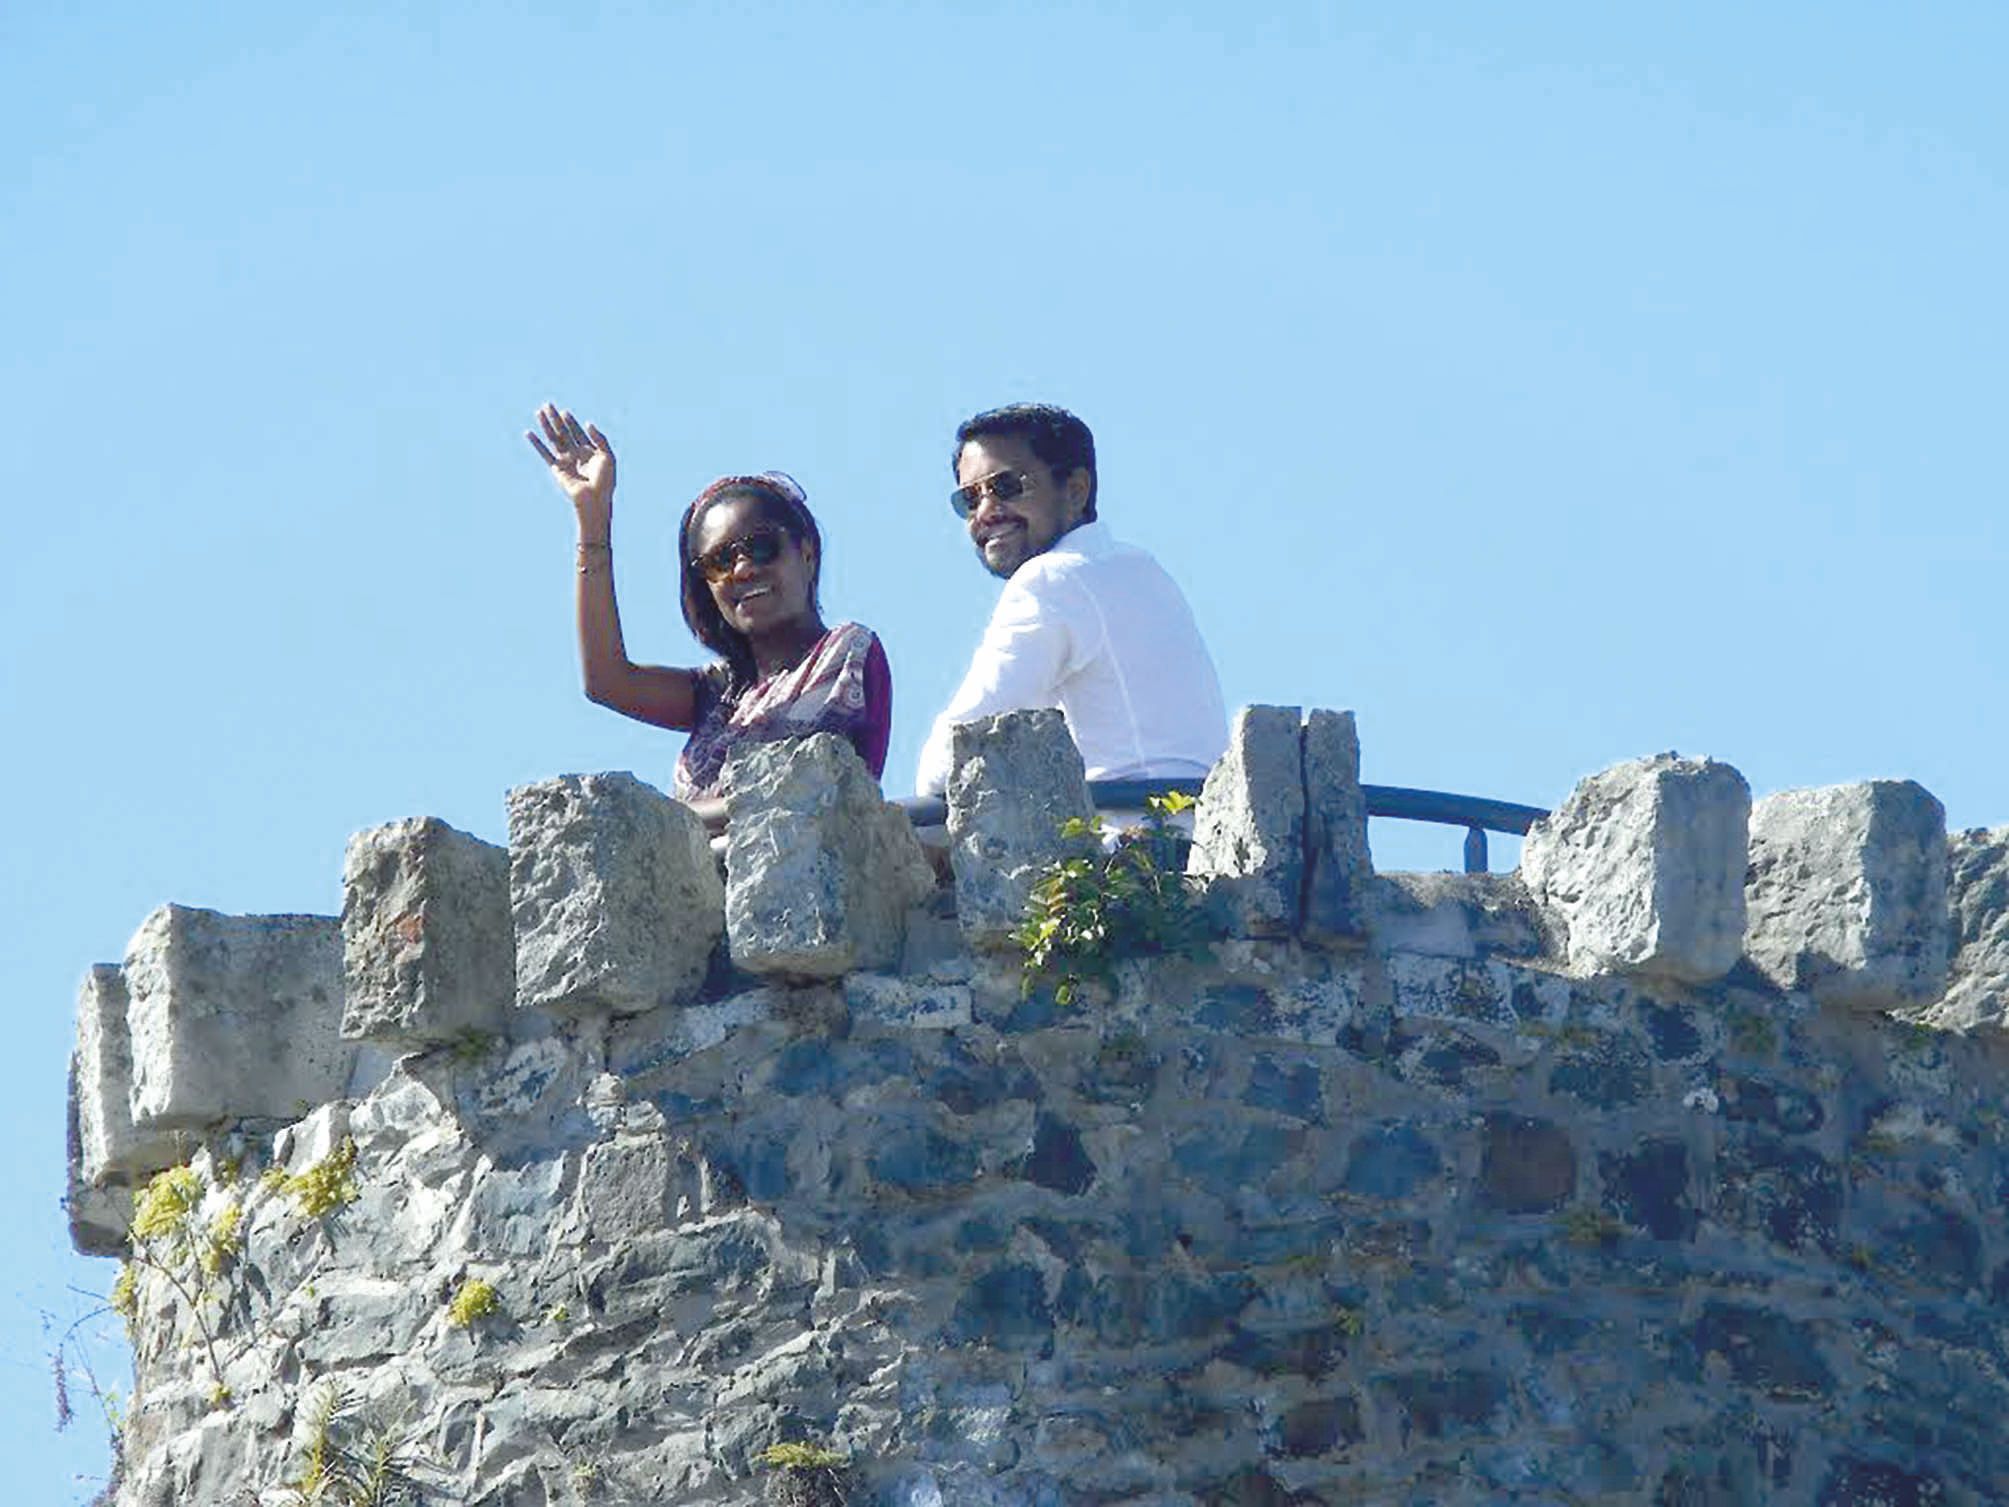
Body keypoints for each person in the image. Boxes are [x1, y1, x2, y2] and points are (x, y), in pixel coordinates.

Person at [527, 404, 890, 818]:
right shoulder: (721, 693)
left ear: (806, 552)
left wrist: (667, 821)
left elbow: (791, 790)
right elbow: (607, 682)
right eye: (719, 563)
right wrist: (593, 520)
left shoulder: (846, 651)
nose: (742, 569)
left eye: (761, 547)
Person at [915, 402, 1227, 797]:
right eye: (969, 500)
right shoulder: (1138, 567)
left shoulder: (1053, 578)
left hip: (1131, 847)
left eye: (1006, 487)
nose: (987, 512)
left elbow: (952, 758)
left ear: (1076, 490)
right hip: (1198, 838)